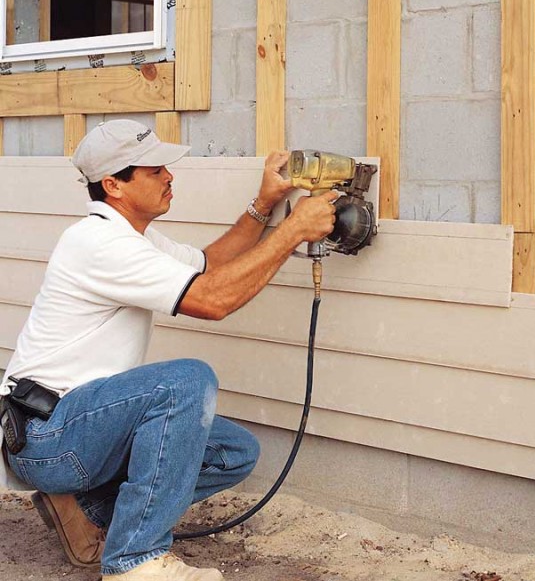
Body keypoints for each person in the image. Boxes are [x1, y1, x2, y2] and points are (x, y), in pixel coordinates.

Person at [0, 119, 338, 580]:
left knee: (232, 452)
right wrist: (294, 230)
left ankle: (87, 509)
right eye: (155, 170)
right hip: (48, 436)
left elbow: (209, 265)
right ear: (113, 184)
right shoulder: (98, 244)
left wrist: (266, 204)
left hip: (83, 429)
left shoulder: (131, 238)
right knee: (185, 381)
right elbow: (212, 300)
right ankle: (135, 562)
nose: (169, 177)